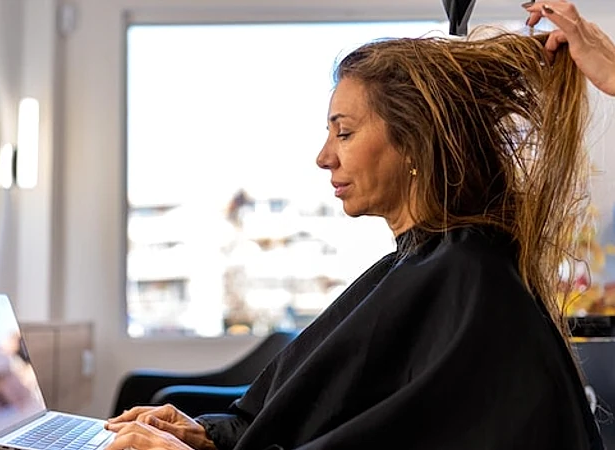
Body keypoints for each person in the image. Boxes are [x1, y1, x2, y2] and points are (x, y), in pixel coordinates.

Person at [105, 2, 615, 449]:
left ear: (413, 142)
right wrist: (208, 436)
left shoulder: (466, 276)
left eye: (344, 133)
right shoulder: (437, 265)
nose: (323, 157)